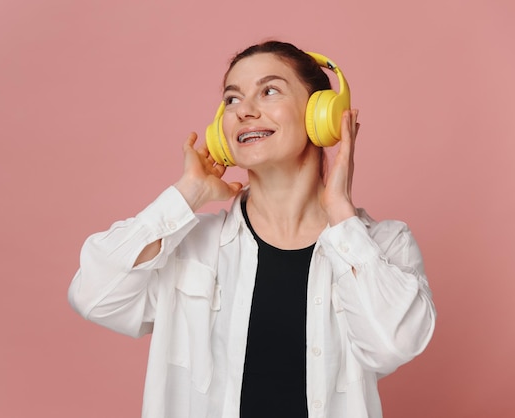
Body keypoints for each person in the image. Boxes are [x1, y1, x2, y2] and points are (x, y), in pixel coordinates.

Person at [68, 40, 436, 418]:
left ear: (320, 115)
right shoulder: (191, 247)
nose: (244, 110)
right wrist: (187, 195)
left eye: (269, 90)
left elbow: (392, 345)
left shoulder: (384, 245)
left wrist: (341, 214)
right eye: (231, 99)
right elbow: (94, 295)